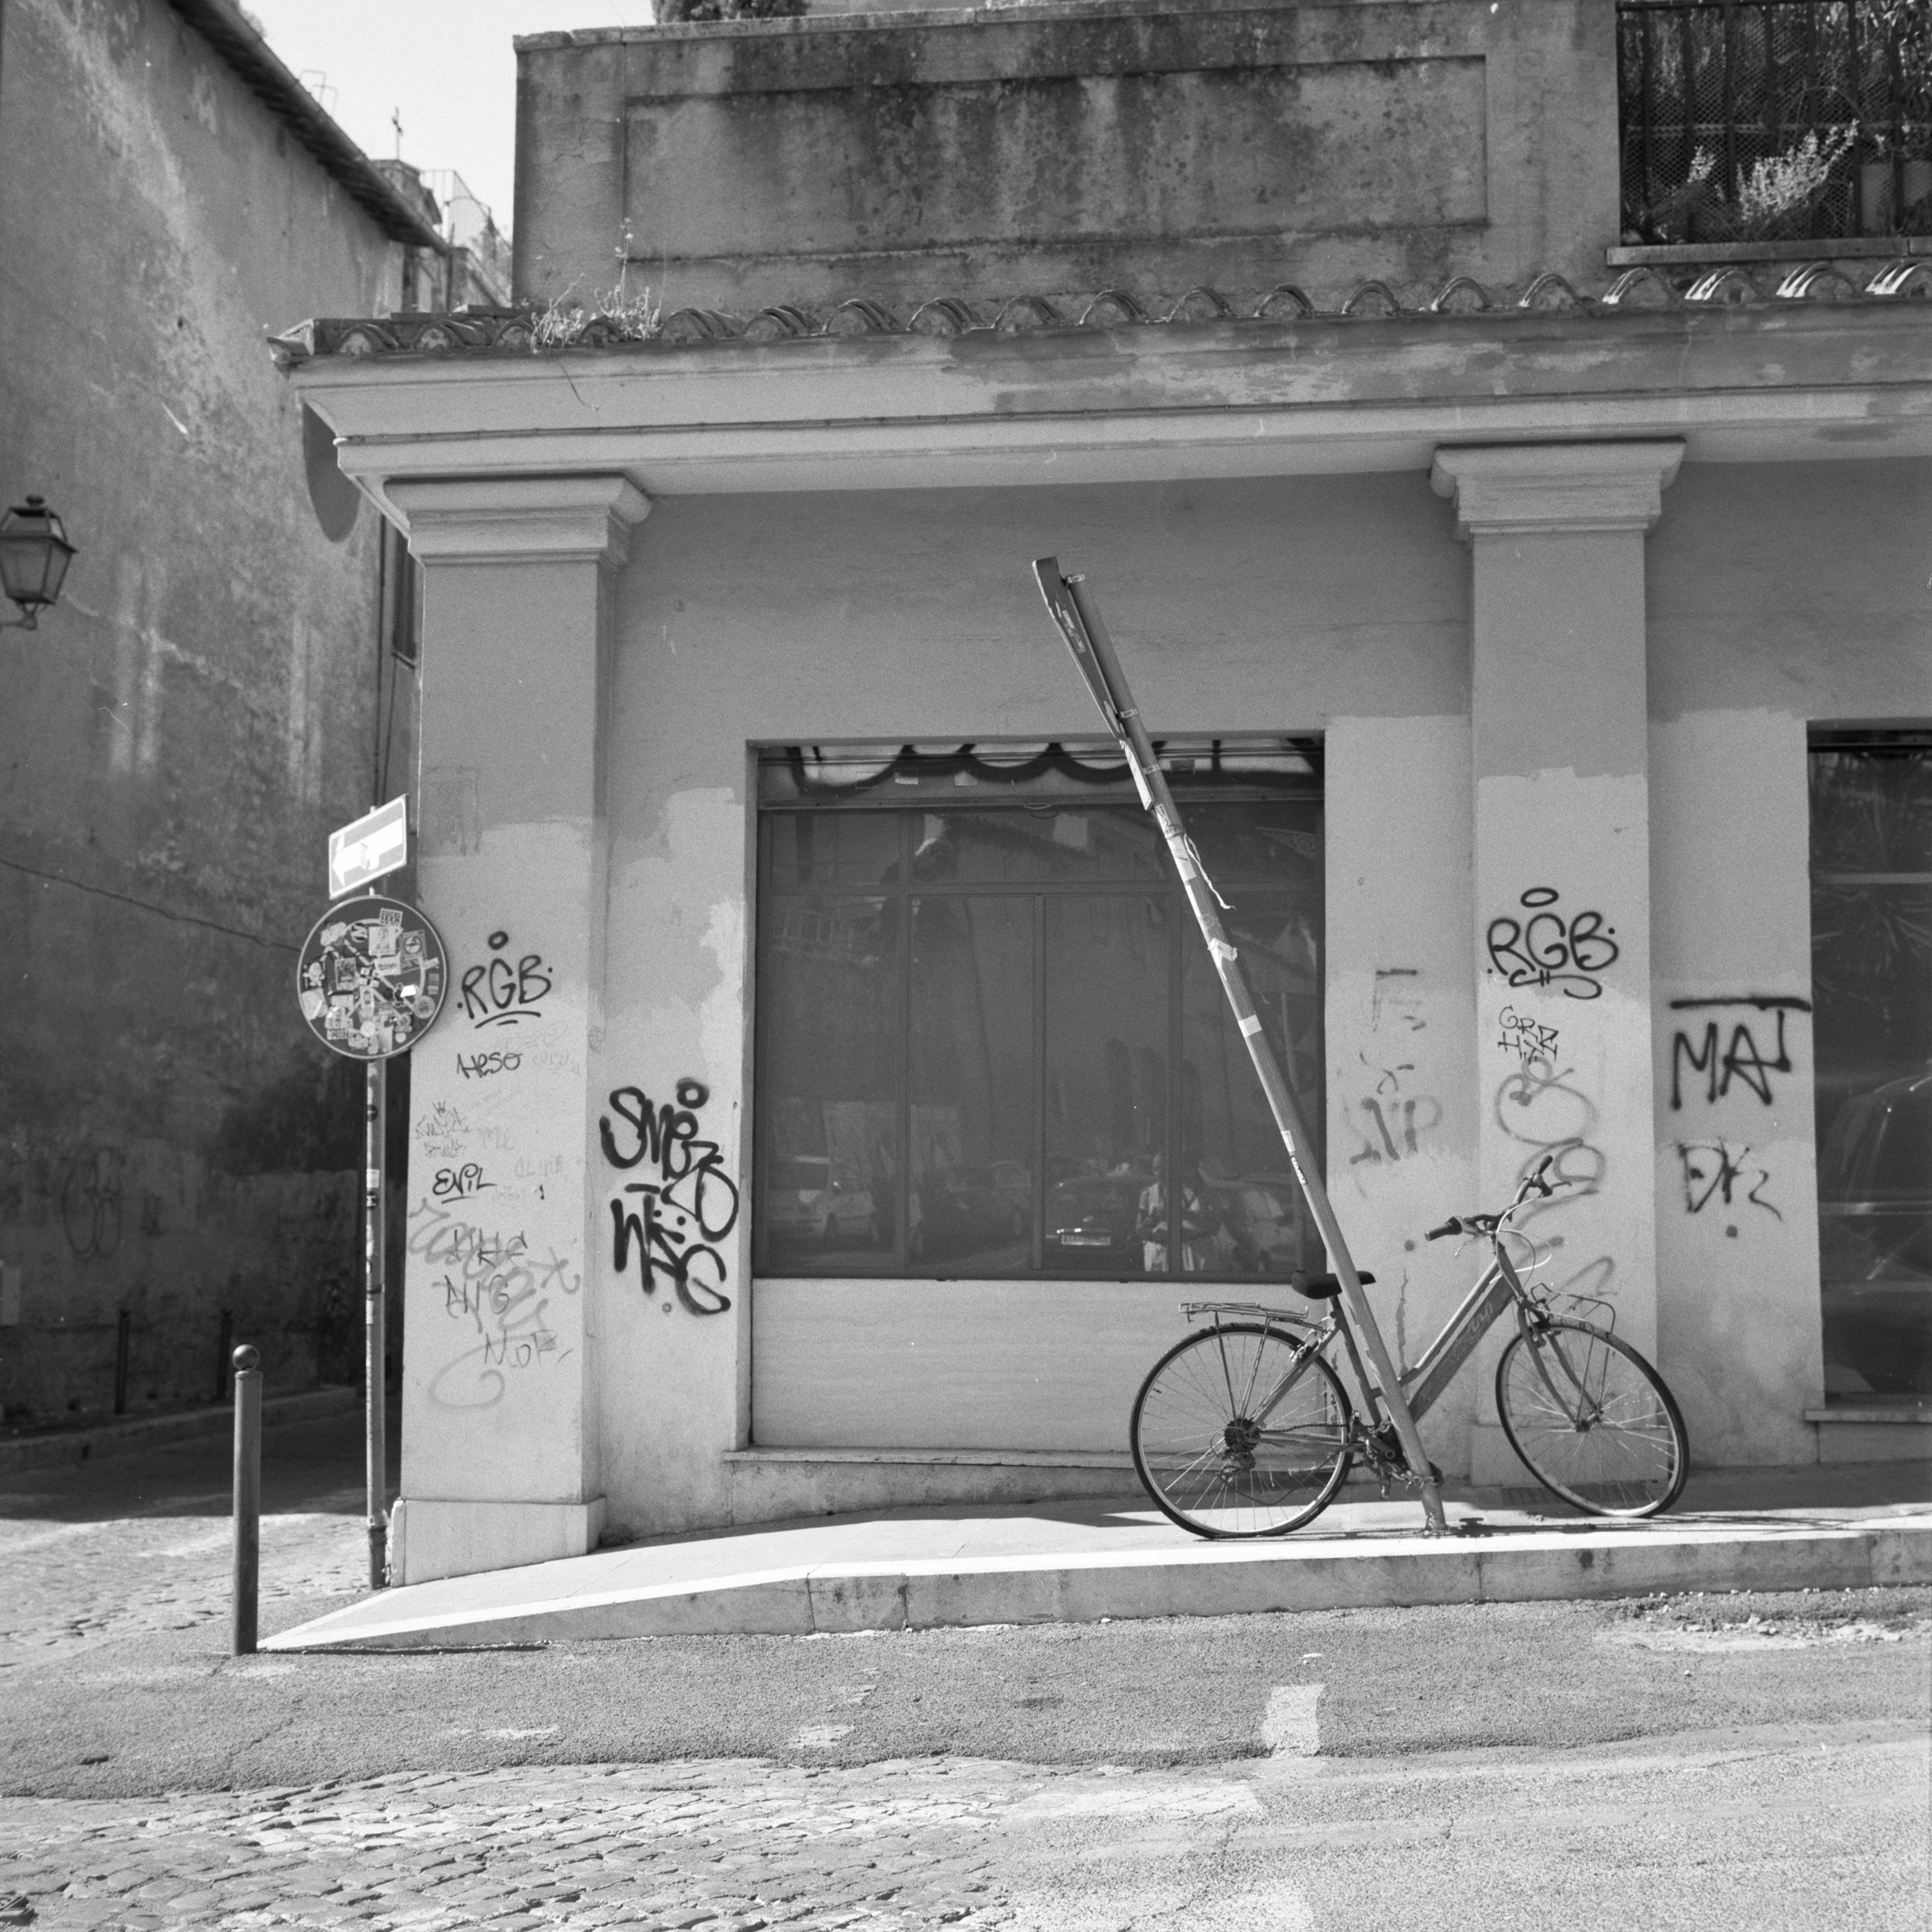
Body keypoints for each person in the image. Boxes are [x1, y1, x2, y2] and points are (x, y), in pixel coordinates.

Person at [1137, 1154, 1228, 1274]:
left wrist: (1181, 1214)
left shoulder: (1207, 1194)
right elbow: (1139, 1229)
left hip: (1199, 1254)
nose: (1162, 1173)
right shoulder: (1149, 1194)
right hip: (1161, 1255)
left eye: (1165, 1168)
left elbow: (1214, 1227)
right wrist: (1150, 1225)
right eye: (1157, 1168)